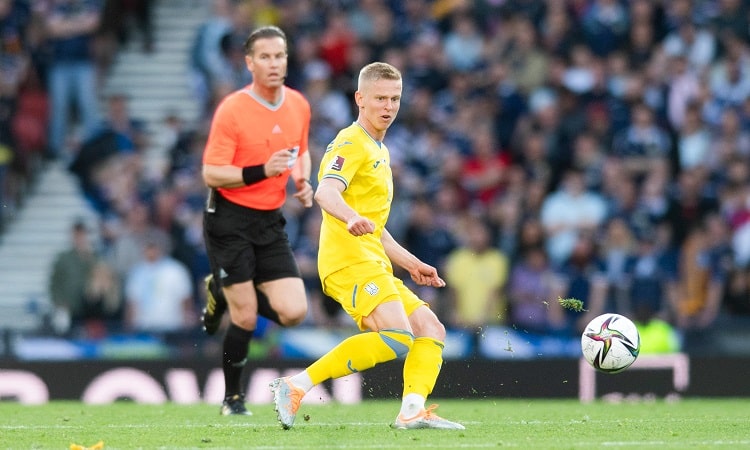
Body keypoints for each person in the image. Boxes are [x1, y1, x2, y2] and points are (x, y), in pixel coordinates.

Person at [270, 62, 464, 430]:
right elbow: (326, 191)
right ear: (360, 99)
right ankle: (295, 385)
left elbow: (377, 228)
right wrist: (349, 218)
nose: (388, 106)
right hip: (347, 260)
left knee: (430, 328)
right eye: (379, 98)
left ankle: (411, 411)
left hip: (373, 260)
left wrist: (411, 263)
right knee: (396, 336)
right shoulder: (350, 141)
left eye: (395, 99)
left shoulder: (380, 150)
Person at [200, 25, 313, 416]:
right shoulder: (233, 109)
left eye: (279, 56)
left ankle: (222, 288)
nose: (273, 63)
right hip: (228, 218)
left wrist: (302, 179)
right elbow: (212, 173)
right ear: (249, 63)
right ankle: (233, 399)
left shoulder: (298, 103)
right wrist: (262, 171)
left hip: (269, 220)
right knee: (245, 314)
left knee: (295, 312)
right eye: (264, 57)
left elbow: (301, 151)